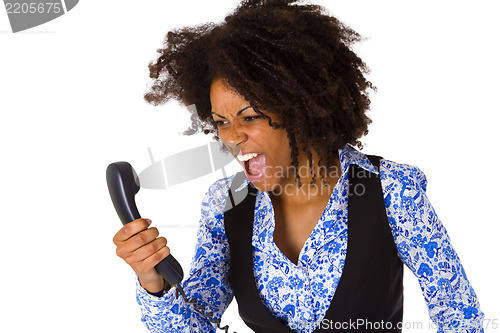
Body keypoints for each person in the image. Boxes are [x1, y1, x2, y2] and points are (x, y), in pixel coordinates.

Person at [112, 0, 484, 331]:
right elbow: (195, 324)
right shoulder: (225, 204)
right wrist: (152, 279)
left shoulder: (391, 189)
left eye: (251, 116)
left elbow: (458, 312)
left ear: (299, 107)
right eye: (222, 122)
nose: (232, 137)